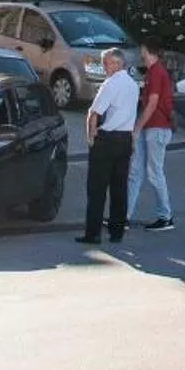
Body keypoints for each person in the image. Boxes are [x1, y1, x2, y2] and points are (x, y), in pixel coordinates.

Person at [80, 47, 138, 244]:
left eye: (105, 63)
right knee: (119, 188)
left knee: (97, 188)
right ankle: (117, 231)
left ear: (116, 64)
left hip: (108, 138)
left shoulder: (111, 84)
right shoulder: (133, 84)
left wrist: (90, 137)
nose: (104, 67)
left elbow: (94, 112)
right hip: (125, 139)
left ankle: (93, 233)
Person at [126, 38, 177, 232]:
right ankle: (124, 216)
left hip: (156, 127)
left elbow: (153, 103)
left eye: (142, 50)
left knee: (153, 172)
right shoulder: (154, 72)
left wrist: (137, 127)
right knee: (137, 171)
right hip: (153, 127)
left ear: (147, 51)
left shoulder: (156, 73)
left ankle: (165, 216)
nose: (141, 54)